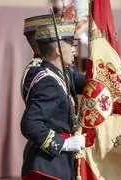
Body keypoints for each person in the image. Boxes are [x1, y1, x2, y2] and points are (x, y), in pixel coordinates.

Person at [20, 17, 86, 180]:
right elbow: (30, 124)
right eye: (71, 44)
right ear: (57, 49)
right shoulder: (48, 81)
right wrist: (64, 144)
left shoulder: (61, 73)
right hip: (47, 166)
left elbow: (83, 82)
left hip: (58, 163)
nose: (74, 50)